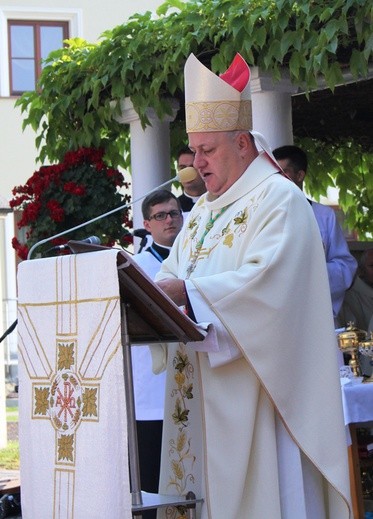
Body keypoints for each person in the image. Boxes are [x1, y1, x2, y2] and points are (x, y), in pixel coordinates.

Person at [152, 53, 351, 518]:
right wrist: (156, 289)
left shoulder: (279, 199)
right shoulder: (201, 213)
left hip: (263, 396)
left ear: (243, 144)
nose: (195, 164)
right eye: (193, 150)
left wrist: (188, 294)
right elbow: (171, 274)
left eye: (207, 150)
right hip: (202, 392)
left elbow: (270, 286)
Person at [131, 189, 183, 518]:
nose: (170, 220)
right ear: (147, 225)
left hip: (196, 377)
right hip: (151, 387)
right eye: (161, 216)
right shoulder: (136, 266)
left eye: (175, 213)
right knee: (152, 478)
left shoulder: (199, 257)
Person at [272, 145, 357, 324]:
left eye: (283, 173)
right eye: (274, 173)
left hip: (315, 315)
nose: (277, 179)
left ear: (300, 175)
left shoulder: (323, 215)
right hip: (275, 316)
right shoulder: (262, 215)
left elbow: (345, 267)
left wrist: (307, 272)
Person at [176, 146, 206, 213]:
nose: (187, 173)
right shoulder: (174, 209)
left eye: (192, 167)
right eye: (182, 168)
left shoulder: (219, 201)